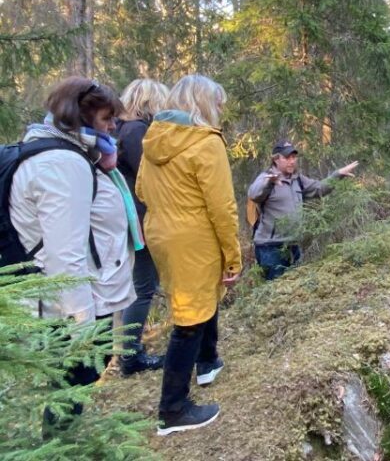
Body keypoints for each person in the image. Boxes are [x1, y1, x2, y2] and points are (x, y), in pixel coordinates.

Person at [9, 76, 138, 424]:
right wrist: (83, 327)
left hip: (74, 297)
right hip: (68, 307)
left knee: (73, 386)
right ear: (78, 119)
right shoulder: (63, 164)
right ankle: (60, 444)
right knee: (73, 385)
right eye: (105, 120)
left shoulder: (67, 153)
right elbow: (64, 254)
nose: (113, 126)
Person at [136, 74, 241, 436]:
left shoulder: (153, 139)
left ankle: (208, 362)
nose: (221, 110)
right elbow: (222, 207)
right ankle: (173, 409)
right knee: (189, 319)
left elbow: (141, 190)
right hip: (194, 237)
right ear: (203, 103)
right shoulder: (206, 142)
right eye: (218, 103)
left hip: (161, 233)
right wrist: (233, 255)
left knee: (199, 300)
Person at [116, 78, 169, 376]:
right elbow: (149, 178)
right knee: (143, 288)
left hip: (132, 218)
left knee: (139, 287)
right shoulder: (137, 131)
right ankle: (131, 357)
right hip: (140, 220)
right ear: (150, 102)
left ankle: (129, 353)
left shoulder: (124, 130)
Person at [247, 140, 358, 280]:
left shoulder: (297, 179)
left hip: (293, 245)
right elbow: (254, 194)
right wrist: (270, 182)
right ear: (276, 159)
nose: (292, 161)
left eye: (294, 157)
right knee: (274, 294)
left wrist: (338, 174)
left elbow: (319, 188)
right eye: (287, 157)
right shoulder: (266, 177)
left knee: (294, 291)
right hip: (270, 248)